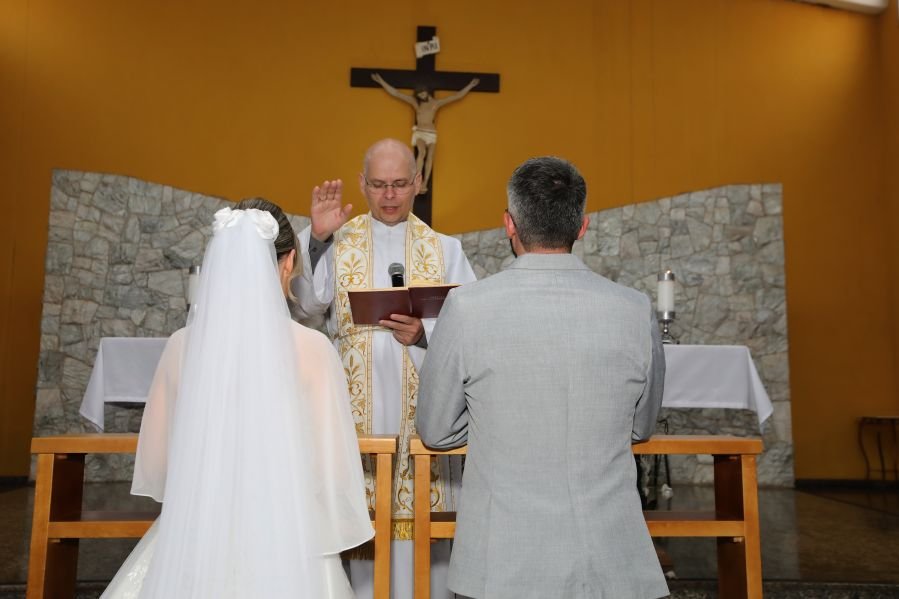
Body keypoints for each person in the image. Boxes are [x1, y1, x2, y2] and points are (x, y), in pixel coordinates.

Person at [416, 157, 669, 599]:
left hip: (501, 565)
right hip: (611, 563)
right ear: (582, 226)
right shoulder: (634, 309)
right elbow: (641, 426)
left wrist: (485, 421)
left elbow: (436, 431)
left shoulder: (469, 308)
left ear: (509, 224)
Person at [102, 200, 373, 598]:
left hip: (194, 536)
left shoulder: (180, 347)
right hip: (287, 540)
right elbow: (332, 474)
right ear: (289, 261)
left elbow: (158, 466)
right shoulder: (313, 350)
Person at [292, 138, 476, 599]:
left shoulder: (445, 249)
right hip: (354, 414)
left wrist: (425, 335)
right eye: (378, 185)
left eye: (399, 184)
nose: (389, 195)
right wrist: (316, 240)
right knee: (357, 527)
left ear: (418, 182)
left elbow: (473, 333)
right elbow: (309, 306)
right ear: (362, 184)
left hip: (423, 413)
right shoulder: (337, 240)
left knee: (423, 536)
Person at [370, 73, 479, 194]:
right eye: (419, 94)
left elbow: (456, 96)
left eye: (423, 93)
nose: (422, 96)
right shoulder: (416, 103)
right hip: (420, 133)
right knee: (421, 152)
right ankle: (417, 179)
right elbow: (397, 93)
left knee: (430, 158)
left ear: (427, 91)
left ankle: (425, 183)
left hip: (431, 134)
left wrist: (470, 85)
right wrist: (381, 81)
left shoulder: (435, 104)